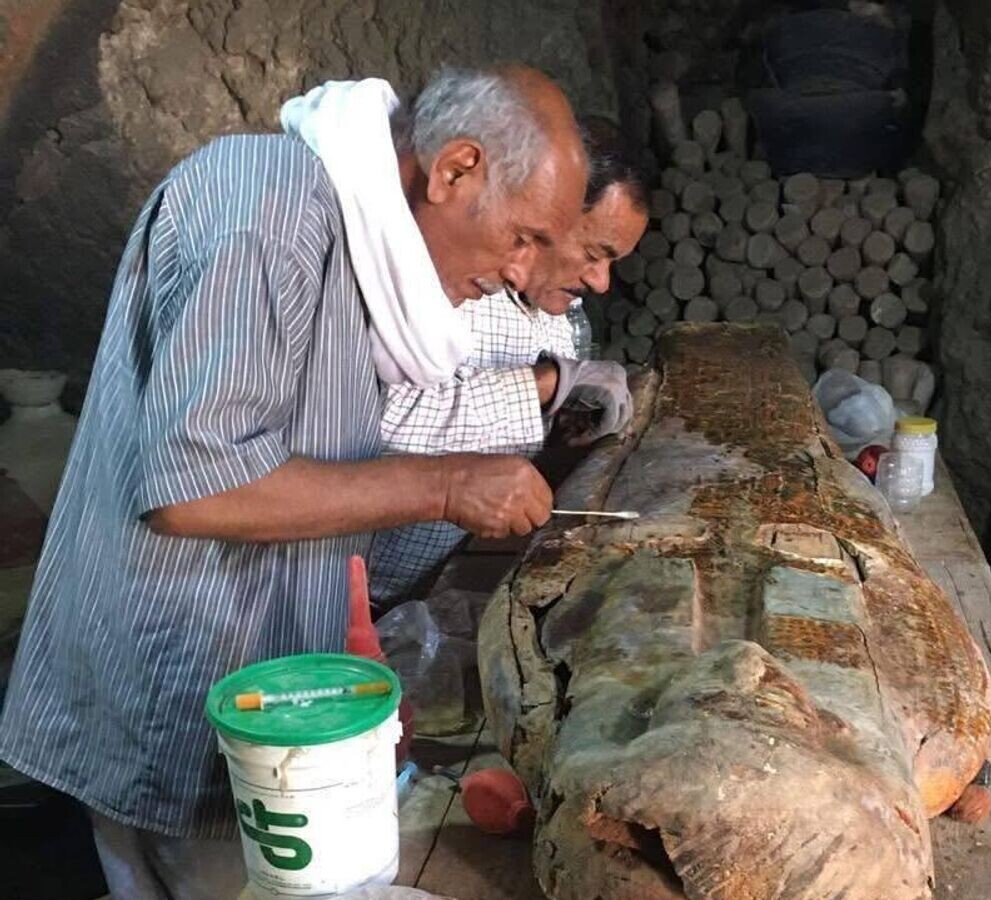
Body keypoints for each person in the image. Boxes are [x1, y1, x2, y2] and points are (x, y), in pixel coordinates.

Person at [0, 66, 588, 900]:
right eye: (525, 236)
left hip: (256, 685)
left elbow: (317, 485)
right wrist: (449, 484)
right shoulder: (267, 207)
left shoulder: (354, 249)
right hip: (173, 684)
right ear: (455, 170)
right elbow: (199, 490)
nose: (525, 273)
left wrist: (355, 672)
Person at [369, 116, 650, 602]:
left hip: (429, 592)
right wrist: (546, 385)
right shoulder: (458, 275)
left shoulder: (562, 317)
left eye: (613, 263)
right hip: (346, 588)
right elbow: (373, 418)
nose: (602, 281)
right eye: (593, 252)